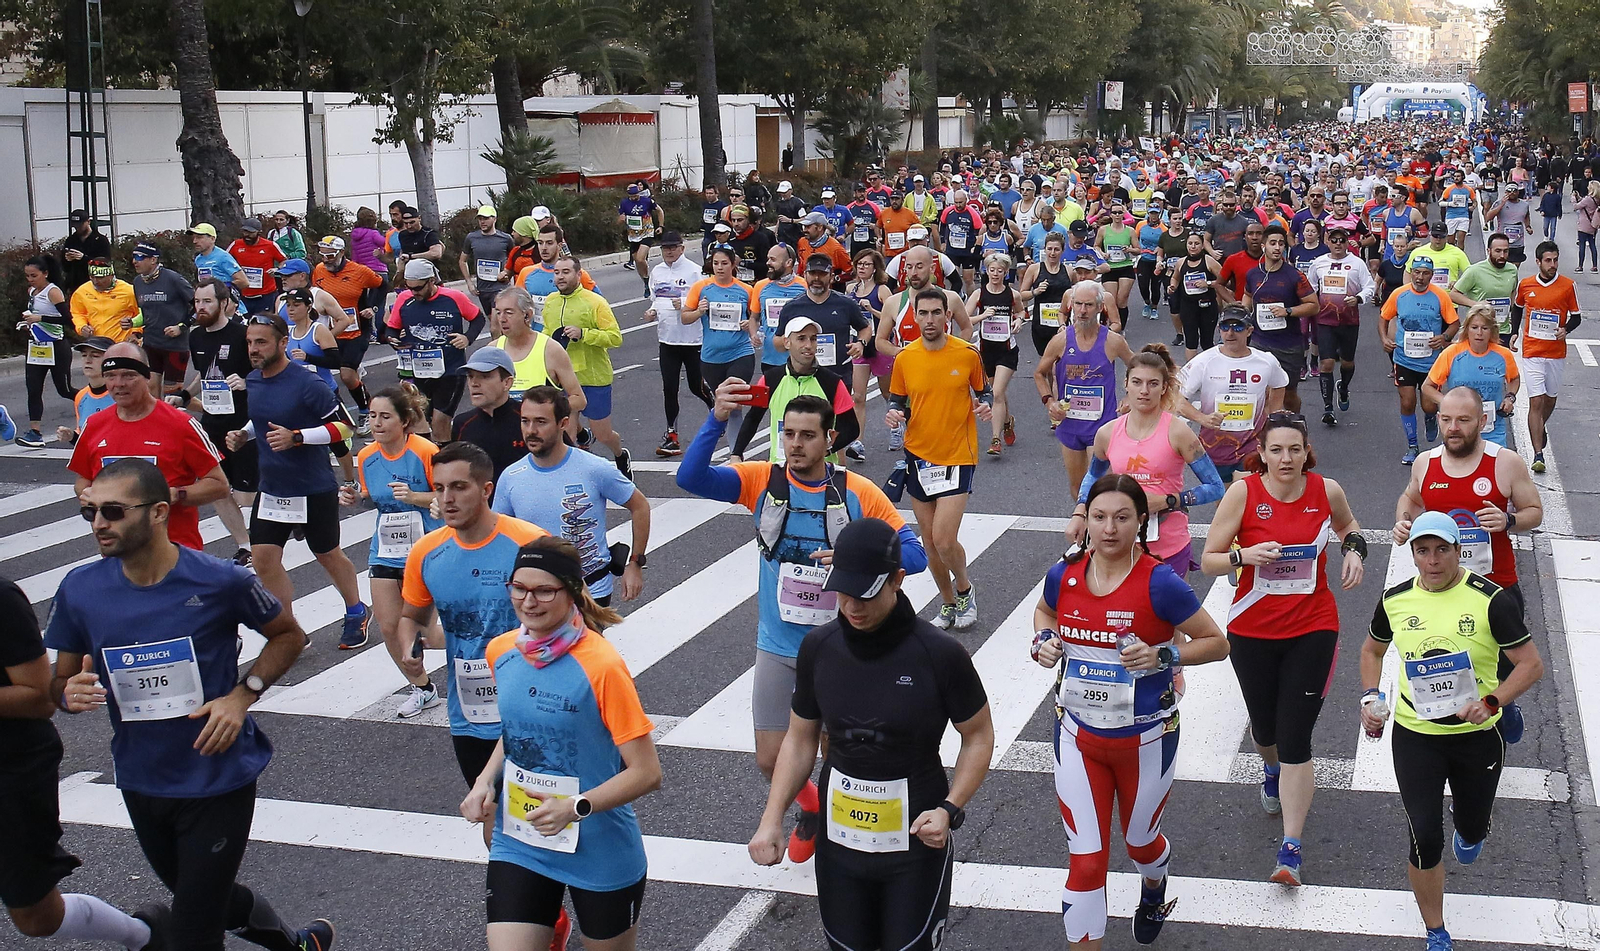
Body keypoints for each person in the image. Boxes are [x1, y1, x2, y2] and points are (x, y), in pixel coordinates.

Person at [47, 459, 334, 951]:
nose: (98, 524)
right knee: (204, 898)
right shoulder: (81, 588)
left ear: (158, 513)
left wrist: (244, 696)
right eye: (89, 511)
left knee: (194, 929)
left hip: (217, 775)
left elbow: (288, 636)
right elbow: (60, 681)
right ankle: (296, 944)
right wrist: (68, 695)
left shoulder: (220, 581)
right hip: (141, 776)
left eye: (113, 512)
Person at [679, 386, 926, 863]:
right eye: (788, 434)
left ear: (829, 439)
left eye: (808, 436)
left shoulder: (856, 491)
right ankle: (810, 810)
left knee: (840, 758)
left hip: (840, 648)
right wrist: (715, 418)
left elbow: (912, 554)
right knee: (771, 760)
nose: (796, 444)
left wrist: (857, 555)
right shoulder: (761, 481)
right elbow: (691, 478)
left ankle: (845, 844)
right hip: (777, 644)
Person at [749, 517, 991, 951]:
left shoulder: (939, 654)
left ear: (898, 580)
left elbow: (978, 735)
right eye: (843, 592)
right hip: (840, 845)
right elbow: (801, 738)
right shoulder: (820, 648)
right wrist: (771, 820)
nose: (852, 607)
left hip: (915, 845)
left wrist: (950, 808)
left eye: (864, 593)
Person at [1031, 474, 1230, 948]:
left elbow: (1217, 643)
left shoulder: (1161, 582)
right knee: (1086, 863)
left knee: (1141, 843)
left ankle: (1154, 888)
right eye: (1099, 517)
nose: (1109, 529)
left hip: (1146, 741)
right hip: (1077, 737)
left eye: (1122, 517)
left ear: (1141, 520)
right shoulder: (1066, 573)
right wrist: (1042, 641)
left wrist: (1165, 655)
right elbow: (1044, 612)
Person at [459, 536, 661, 951]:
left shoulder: (602, 666)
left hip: (599, 845)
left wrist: (575, 807)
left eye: (544, 590)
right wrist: (483, 781)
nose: (528, 602)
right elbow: (515, 731)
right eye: (519, 587)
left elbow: (647, 773)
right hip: (522, 838)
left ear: (571, 591)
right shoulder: (502, 651)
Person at [1363, 510, 1545, 951]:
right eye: (1422, 551)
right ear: (1412, 555)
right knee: (1424, 836)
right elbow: (1371, 650)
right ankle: (1436, 930)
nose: (1432, 561)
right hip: (1416, 735)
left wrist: (1492, 702)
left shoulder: (1490, 600)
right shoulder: (1396, 599)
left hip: (1477, 737)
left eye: (1441, 549)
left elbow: (1531, 664)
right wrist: (1371, 698)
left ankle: (1471, 829)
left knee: (1472, 828)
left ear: (1458, 551)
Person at [1200, 413, 1366, 886]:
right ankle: (1270, 770)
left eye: (1294, 449)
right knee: (1265, 727)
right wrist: (1242, 556)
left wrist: (1355, 550)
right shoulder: (1244, 493)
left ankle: (1291, 848)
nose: (1286, 459)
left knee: (1296, 736)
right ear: (1263, 453)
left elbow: (1350, 526)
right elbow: (1210, 559)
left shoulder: (1325, 490)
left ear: (1306, 449)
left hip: (1313, 627)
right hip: (1252, 628)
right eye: (1276, 450)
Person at [0, 568, 172, 950]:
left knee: (36, 915)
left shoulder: (2, 599)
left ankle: (145, 936)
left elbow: (39, 696)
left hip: (11, 769)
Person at [401, 441, 549, 838]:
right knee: (493, 823)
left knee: (543, 825)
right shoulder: (426, 553)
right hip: (470, 712)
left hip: (536, 702)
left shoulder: (529, 544)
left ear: (486, 490)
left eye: (459, 487)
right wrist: (410, 648)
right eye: (439, 488)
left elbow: (575, 621)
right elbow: (412, 616)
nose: (446, 499)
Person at [1394, 384, 1545, 743]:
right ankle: (1456, 741)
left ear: (1482, 420)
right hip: (1441, 589)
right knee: (1447, 661)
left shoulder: (1504, 462)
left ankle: (1503, 704)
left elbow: (1535, 512)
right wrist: (1403, 521)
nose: (1453, 428)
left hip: (1496, 588)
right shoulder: (1426, 463)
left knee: (1506, 667)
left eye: (1463, 420)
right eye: (1446, 419)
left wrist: (1509, 521)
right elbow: (1410, 497)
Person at [223, 314, 370, 650]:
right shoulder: (255, 380)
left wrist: (298, 438)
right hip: (273, 488)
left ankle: (356, 610)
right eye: (249, 342)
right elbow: (263, 418)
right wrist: (244, 434)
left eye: (261, 342)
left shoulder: (308, 384)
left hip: (312, 487)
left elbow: (344, 427)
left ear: (282, 343)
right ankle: (288, 631)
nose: (253, 349)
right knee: (262, 559)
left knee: (328, 555)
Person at [884, 288, 992, 630]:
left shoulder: (966, 354)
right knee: (929, 541)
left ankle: (964, 590)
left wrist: (986, 404)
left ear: (948, 315)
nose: (930, 320)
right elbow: (897, 400)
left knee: (945, 537)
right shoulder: (905, 358)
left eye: (936, 313)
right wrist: (894, 415)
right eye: (923, 313)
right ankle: (947, 603)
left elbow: (984, 389)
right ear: (914, 317)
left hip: (958, 454)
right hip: (919, 455)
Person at [494, 385, 650, 606]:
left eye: (541, 422)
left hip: (590, 591)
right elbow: (498, 535)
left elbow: (640, 506)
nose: (530, 430)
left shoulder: (594, 468)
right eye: (525, 421)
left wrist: (635, 563)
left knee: (588, 643)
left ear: (563, 424)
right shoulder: (511, 477)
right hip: (534, 596)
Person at [67, 341, 230, 552]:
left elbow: (219, 485)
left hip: (175, 552)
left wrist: (175, 494)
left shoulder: (180, 424)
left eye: (128, 375)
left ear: (147, 377)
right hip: (119, 553)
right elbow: (83, 480)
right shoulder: (94, 425)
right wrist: (89, 495)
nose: (118, 383)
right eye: (110, 375)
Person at [343, 385, 445, 718]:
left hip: (426, 549)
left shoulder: (425, 451)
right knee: (389, 627)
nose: (376, 423)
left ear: (405, 421)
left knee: (429, 632)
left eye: (385, 416)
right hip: (385, 549)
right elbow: (373, 495)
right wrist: (354, 497)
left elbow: (448, 498)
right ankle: (422, 689)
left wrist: (415, 496)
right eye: (372, 416)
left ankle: (483, 657)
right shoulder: (366, 456)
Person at [168, 276, 258, 565]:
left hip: (244, 425)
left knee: (247, 495)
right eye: (197, 302)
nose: (201, 307)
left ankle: (279, 524)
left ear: (224, 303)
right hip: (212, 422)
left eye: (207, 301)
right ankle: (246, 545)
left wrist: (246, 381)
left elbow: (268, 372)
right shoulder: (196, 336)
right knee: (218, 487)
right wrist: (184, 395)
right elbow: (204, 374)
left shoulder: (243, 335)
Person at [1035, 280, 1136, 492]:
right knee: (1077, 487)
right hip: (1070, 425)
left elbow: (1137, 368)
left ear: (1100, 308)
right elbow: (1039, 373)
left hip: (1102, 426)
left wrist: (1130, 397)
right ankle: (1087, 523)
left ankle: (1097, 522)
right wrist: (1049, 401)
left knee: (1101, 485)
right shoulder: (1061, 340)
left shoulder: (1113, 341)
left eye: (1089, 305)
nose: (1082, 311)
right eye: (1078, 304)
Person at [1177, 305, 1289, 483]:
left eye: (1237, 327)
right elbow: (1176, 398)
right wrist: (1202, 418)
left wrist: (1273, 416)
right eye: (1224, 327)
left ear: (1249, 330)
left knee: (1246, 497)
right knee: (1224, 505)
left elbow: (1280, 384)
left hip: (1253, 444)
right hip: (1215, 445)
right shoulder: (1204, 361)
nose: (1230, 333)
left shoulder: (1266, 361)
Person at [543, 255, 629, 478]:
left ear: (578, 275)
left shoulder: (594, 302)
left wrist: (584, 334)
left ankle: (620, 454)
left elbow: (615, 337)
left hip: (593, 377)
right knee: (566, 433)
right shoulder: (551, 302)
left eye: (566, 272)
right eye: (557, 272)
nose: (560, 277)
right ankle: (571, 477)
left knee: (603, 434)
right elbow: (545, 335)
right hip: (563, 379)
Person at [731, 317, 860, 463]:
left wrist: (824, 449)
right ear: (787, 342)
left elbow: (851, 428)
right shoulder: (770, 379)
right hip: (780, 468)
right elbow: (753, 418)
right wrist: (736, 453)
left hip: (819, 473)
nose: (808, 345)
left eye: (813, 339)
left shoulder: (832, 382)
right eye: (801, 339)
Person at [387, 258, 487, 441]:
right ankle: (425, 461)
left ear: (432, 281)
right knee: (417, 420)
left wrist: (467, 338)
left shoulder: (453, 297)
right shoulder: (404, 299)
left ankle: (445, 462)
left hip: (449, 371)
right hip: (417, 371)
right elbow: (391, 327)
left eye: (418, 288)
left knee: (440, 422)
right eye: (410, 288)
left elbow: (478, 318)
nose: (414, 293)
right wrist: (392, 338)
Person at [1381, 255, 1460, 465]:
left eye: (1425, 273)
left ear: (1431, 276)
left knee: (1429, 406)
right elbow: (1384, 316)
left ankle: (1430, 418)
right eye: (1417, 272)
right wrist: (1384, 339)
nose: (1420, 277)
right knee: (1407, 402)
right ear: (1411, 273)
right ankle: (1413, 445)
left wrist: (1444, 338)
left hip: (1431, 362)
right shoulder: (1399, 294)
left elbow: (1454, 323)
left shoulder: (1440, 296)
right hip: (1404, 359)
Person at [682, 247, 758, 458]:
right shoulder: (702, 288)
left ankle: (736, 454)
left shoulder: (746, 290)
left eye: (724, 263)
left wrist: (748, 324)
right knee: (720, 404)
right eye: (716, 263)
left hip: (740, 353)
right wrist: (699, 311)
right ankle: (717, 445)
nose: (720, 268)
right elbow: (685, 317)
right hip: (711, 357)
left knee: (733, 404)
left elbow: (756, 318)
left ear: (733, 265)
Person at [1512, 241, 1579, 473]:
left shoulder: (1568, 286)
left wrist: (1566, 329)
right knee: (1536, 400)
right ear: (1538, 261)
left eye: (1555, 260)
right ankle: (1538, 454)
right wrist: (1513, 332)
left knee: (1550, 400)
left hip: (1556, 353)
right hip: (1532, 351)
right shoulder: (1526, 284)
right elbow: (1518, 308)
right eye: (1548, 260)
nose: (1552, 264)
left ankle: (1540, 427)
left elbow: (1577, 317)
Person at [643, 233, 711, 456]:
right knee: (669, 388)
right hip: (667, 339)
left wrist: (682, 302)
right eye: (665, 248)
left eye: (673, 248)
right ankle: (671, 435)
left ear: (682, 248)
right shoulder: (657, 271)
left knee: (695, 386)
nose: (669, 252)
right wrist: (652, 310)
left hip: (692, 339)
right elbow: (657, 297)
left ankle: (716, 409)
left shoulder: (693, 270)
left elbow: (704, 299)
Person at [311, 235, 386, 434]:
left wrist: (372, 308)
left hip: (356, 330)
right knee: (321, 374)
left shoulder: (359, 271)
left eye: (331, 256)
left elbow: (382, 285)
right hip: (331, 331)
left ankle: (365, 411)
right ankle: (336, 415)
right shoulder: (318, 271)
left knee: (346, 375)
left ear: (342, 253)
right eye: (323, 255)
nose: (326, 260)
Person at [1241, 225, 1318, 410]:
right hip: (1260, 342)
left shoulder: (1294, 275)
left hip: (1288, 345)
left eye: (1281, 244)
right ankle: (1267, 432)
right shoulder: (1253, 274)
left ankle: (1295, 424)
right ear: (1263, 246)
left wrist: (1288, 311)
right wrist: (1243, 312)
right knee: (1262, 391)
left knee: (1288, 393)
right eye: (1273, 243)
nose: (1277, 248)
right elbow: (1248, 296)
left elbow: (1314, 305)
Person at [1422, 306, 1520, 448]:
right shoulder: (1452, 353)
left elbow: (1514, 379)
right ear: (1467, 329)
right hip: (1459, 432)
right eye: (1474, 327)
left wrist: (1510, 397)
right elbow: (1427, 386)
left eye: (1484, 328)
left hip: (1493, 432)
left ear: (1492, 330)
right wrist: (1448, 402)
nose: (1479, 333)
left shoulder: (1503, 355)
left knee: (1493, 469)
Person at [1305, 224, 1373, 424]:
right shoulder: (1318, 263)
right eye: (1333, 240)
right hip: (1325, 320)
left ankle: (1343, 388)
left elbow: (1369, 286)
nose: (1337, 244)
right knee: (1326, 364)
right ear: (1327, 241)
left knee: (1347, 362)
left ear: (1347, 243)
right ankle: (1328, 408)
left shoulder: (1357, 263)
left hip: (1348, 320)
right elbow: (1310, 287)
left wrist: (1359, 298)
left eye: (1341, 240)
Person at [965, 252, 1023, 456]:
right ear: (986, 271)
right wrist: (983, 315)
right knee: (997, 392)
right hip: (985, 350)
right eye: (992, 270)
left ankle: (995, 439)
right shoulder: (979, 294)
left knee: (996, 393)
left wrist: (1018, 321)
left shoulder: (1012, 294)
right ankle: (1007, 420)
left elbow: (1023, 312)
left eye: (1000, 271)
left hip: (1007, 350)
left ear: (1006, 273)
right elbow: (965, 319)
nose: (996, 274)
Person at [16, 255, 75, 448]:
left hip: (56, 346)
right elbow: (34, 317)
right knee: (33, 389)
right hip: (36, 347)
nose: (30, 279)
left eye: (34, 275)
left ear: (45, 273)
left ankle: (97, 400)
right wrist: (28, 323)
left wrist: (41, 318)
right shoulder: (32, 291)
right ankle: (35, 432)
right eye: (27, 276)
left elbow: (68, 320)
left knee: (64, 389)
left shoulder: (53, 292)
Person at [1450, 233, 1520, 347]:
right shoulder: (1474, 271)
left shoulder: (1512, 270)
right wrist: (1475, 304)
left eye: (1505, 251)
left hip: (1503, 331)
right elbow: (1453, 294)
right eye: (1498, 251)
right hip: (1480, 332)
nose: (1502, 255)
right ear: (1489, 251)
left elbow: (1512, 292)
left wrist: (1512, 312)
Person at [1166, 230, 1223, 359]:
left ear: (1202, 245)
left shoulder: (1209, 261)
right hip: (1188, 306)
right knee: (1191, 341)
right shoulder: (1181, 262)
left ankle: (1210, 370)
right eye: (1190, 243)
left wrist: (1208, 283)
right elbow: (1175, 277)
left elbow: (1225, 280)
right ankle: (1191, 373)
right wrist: (1173, 286)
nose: (1193, 246)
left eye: (1196, 243)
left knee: (1206, 341)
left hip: (1207, 306)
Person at [1018, 231, 1073, 355]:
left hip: (1062, 323)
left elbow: (1076, 294)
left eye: (1056, 249)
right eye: (1049, 249)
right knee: (1046, 362)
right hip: (1041, 324)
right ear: (1045, 249)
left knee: (1061, 361)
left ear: (1062, 251)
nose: (1052, 253)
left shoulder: (1069, 271)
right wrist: (1035, 292)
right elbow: (1021, 295)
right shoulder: (1035, 269)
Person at [55, 336, 116, 448]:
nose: (88, 360)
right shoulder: (81, 396)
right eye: (84, 355)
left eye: (95, 356)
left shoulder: (122, 394)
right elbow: (85, 442)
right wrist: (72, 437)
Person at [461, 204, 515, 319]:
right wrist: (469, 283)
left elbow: (514, 260)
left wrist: (507, 275)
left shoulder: (506, 238)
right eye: (480, 219)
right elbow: (462, 261)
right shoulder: (471, 238)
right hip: (483, 289)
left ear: (494, 219)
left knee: (495, 326)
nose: (482, 222)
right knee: (494, 322)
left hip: (500, 288)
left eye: (486, 218)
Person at [69, 259, 140, 345]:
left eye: (100, 278)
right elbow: (77, 313)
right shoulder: (82, 292)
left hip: (122, 345)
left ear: (111, 275)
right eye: (92, 277)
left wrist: (135, 333)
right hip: (96, 345)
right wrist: (82, 327)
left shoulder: (129, 291)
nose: (95, 281)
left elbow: (141, 314)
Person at [228, 218, 289, 315]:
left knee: (263, 325)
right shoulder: (236, 245)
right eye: (245, 232)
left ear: (259, 232)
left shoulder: (270, 245)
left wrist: (277, 269)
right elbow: (224, 261)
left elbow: (285, 261)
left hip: (266, 295)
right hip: (242, 295)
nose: (247, 235)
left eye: (251, 232)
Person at [617, 184, 662, 287]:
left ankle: (648, 279)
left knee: (640, 258)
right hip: (633, 235)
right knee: (637, 262)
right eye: (631, 195)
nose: (633, 197)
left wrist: (661, 226)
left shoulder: (646, 201)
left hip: (647, 233)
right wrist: (620, 220)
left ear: (638, 193)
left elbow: (660, 211)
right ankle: (646, 281)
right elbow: (619, 220)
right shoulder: (624, 203)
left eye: (635, 195)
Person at [59, 209, 111, 293]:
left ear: (88, 222)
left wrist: (84, 258)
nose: (78, 228)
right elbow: (65, 267)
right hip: (76, 285)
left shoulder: (100, 240)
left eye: (80, 225)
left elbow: (106, 263)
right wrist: (67, 259)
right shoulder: (71, 240)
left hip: (95, 284)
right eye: (75, 226)